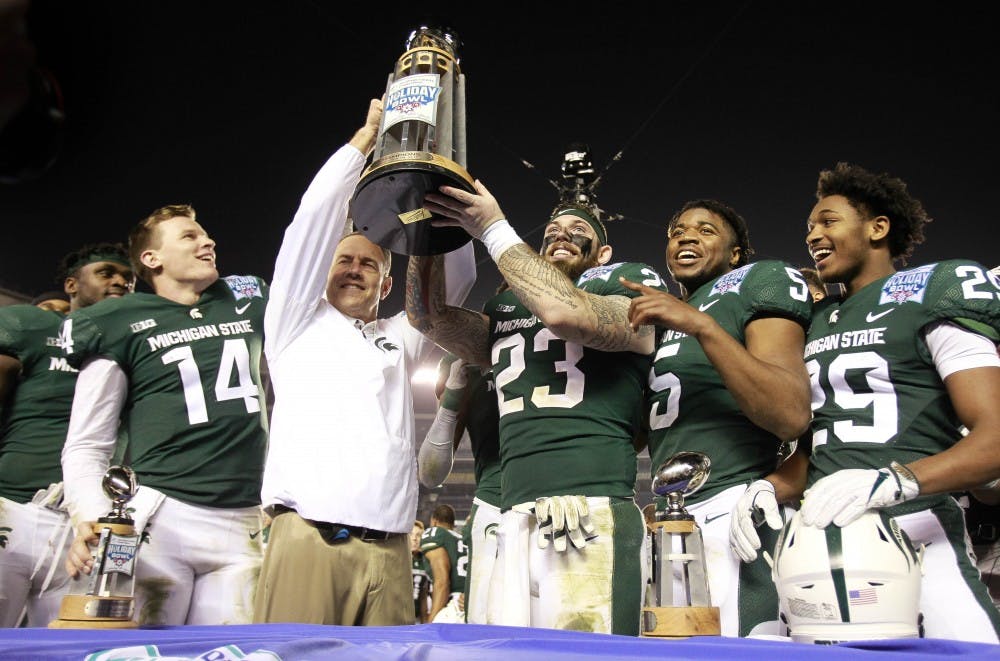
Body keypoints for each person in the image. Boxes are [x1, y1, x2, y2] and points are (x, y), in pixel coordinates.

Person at [729, 162, 1000, 642]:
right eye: (810, 226)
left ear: (878, 227)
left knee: (973, 648)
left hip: (917, 527)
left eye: (828, 221)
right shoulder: (816, 318)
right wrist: (772, 486)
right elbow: (825, 440)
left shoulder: (934, 287)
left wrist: (898, 480)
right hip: (820, 537)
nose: (813, 234)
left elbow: (995, 436)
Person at [406, 185, 668, 636]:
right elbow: (426, 317)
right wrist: (422, 231)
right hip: (512, 514)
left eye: (577, 229)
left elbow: (569, 315)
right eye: (550, 231)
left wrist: (491, 226)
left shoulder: (622, 282)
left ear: (603, 252)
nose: (560, 236)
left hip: (590, 509)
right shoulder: (508, 306)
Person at [253, 97, 475, 626]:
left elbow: (457, 286)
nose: (354, 269)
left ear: (387, 281)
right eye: (344, 260)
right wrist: (363, 143)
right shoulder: (294, 324)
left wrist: (446, 177)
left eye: (368, 263)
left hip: (392, 548)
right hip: (310, 537)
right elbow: (308, 227)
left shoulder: (399, 337)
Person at [60, 205, 269, 626]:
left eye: (205, 235)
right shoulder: (117, 319)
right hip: (161, 516)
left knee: (230, 653)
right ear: (151, 259)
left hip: (246, 516)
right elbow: (87, 441)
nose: (206, 241)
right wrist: (89, 512)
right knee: (142, 649)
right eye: (189, 236)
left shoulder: (246, 295)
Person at [619, 199, 812, 637]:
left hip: (736, 504)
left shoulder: (756, 282)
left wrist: (702, 325)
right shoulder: (662, 318)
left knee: (741, 647)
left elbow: (790, 415)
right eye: (677, 230)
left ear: (736, 253)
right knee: (672, 645)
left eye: (706, 231)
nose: (686, 236)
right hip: (672, 517)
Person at [0, 243, 133, 627]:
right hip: (14, 504)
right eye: (107, 272)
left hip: (87, 524)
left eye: (127, 276)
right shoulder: (35, 325)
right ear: (72, 285)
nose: (121, 281)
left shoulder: (134, 342)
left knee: (70, 643)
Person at [417, 349, 501, 624]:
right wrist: (452, 397)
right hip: (496, 507)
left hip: (571, 500)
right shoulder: (466, 360)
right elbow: (430, 473)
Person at [420, 504, 467, 623]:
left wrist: (431, 622)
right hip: (469, 603)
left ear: (434, 522)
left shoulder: (435, 533)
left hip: (453, 606)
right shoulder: (462, 540)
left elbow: (442, 582)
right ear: (453, 524)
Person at [410, 520, 431, 624]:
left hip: (417, 618)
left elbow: (424, 596)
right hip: (397, 617)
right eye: (411, 534)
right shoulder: (397, 560)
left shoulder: (426, 561)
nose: (414, 538)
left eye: (418, 535)